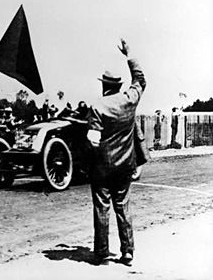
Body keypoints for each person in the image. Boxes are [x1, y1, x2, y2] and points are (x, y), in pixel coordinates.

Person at [87, 39, 146, 267]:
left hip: (102, 167)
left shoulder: (98, 107)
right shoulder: (129, 100)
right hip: (125, 166)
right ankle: (128, 252)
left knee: (102, 208)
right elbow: (140, 80)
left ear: (104, 85)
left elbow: (93, 141)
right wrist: (129, 54)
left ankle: (102, 254)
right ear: (118, 84)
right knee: (123, 206)